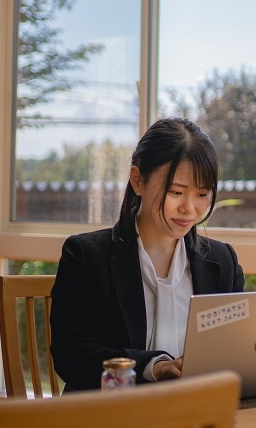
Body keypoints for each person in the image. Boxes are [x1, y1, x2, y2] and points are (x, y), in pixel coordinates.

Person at [50, 116, 245, 391]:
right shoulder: (86, 255)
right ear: (138, 181)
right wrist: (154, 367)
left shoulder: (222, 260)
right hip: (112, 418)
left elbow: (237, 348)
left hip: (195, 415)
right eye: (176, 191)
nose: (189, 208)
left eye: (202, 194)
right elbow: (72, 356)